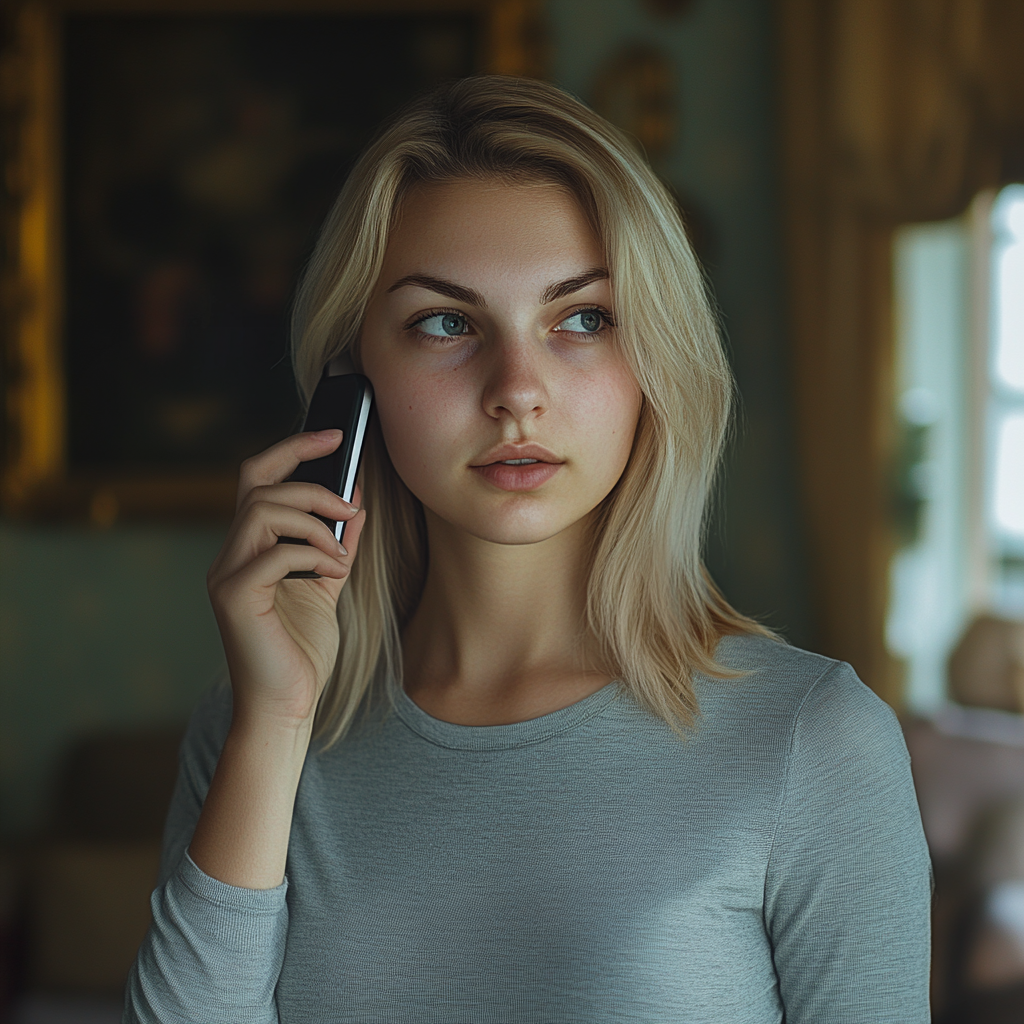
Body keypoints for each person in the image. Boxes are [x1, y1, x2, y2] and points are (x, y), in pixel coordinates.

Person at [124, 76, 932, 1023]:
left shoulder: (815, 741)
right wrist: (275, 722)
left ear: (656, 360)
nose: (517, 390)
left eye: (582, 319)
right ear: (353, 384)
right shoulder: (250, 726)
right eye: (446, 323)